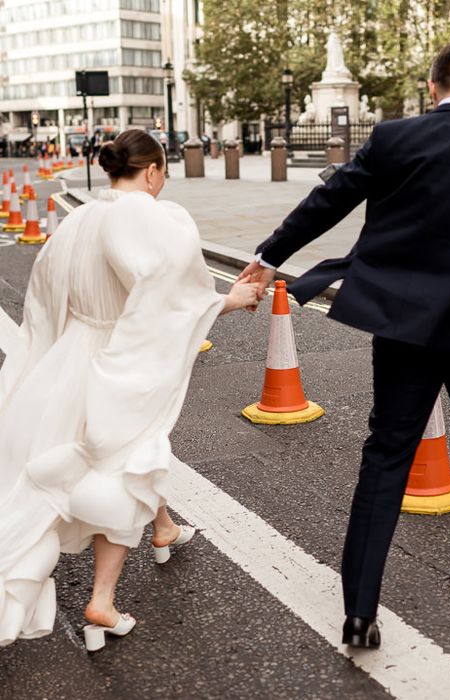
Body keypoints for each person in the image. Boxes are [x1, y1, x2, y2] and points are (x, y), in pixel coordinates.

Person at [239, 41, 450, 649]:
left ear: (430, 87)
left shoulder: (394, 138)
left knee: (387, 452)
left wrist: (268, 257)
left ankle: (359, 608)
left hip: (402, 326)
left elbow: (328, 199)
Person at [0, 129, 261, 651]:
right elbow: (165, 303)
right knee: (124, 463)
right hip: (116, 359)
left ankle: (162, 528)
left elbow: (44, 304)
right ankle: (101, 600)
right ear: (154, 171)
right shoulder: (149, 215)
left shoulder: (77, 221)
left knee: (112, 459)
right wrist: (229, 299)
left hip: (67, 361)